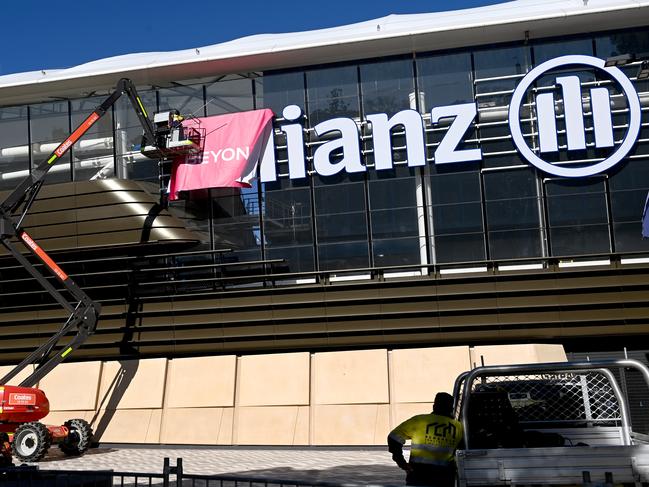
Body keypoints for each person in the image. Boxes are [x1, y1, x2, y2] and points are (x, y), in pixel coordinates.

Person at [388, 392, 464, 487]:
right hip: (444, 476)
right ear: (451, 408)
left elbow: (393, 438)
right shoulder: (458, 427)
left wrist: (401, 462)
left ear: (434, 406)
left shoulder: (419, 421)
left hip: (419, 474)